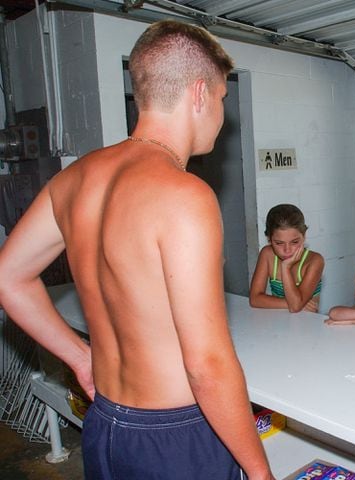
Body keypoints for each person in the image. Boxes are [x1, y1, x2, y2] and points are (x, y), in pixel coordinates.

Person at [0, 21, 274, 479]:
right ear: (200, 94)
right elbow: (206, 363)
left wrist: (79, 355)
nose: (223, 118)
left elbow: (8, 277)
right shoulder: (185, 195)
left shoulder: (73, 180)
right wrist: (260, 472)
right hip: (177, 436)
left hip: (106, 425)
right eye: (224, 100)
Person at [249, 203, 324, 312]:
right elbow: (255, 299)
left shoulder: (315, 261)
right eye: (279, 243)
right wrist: (292, 302)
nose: (287, 250)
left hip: (308, 324)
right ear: (269, 239)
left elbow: (295, 307)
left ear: (304, 236)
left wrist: (285, 267)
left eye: (294, 242)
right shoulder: (267, 254)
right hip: (279, 320)